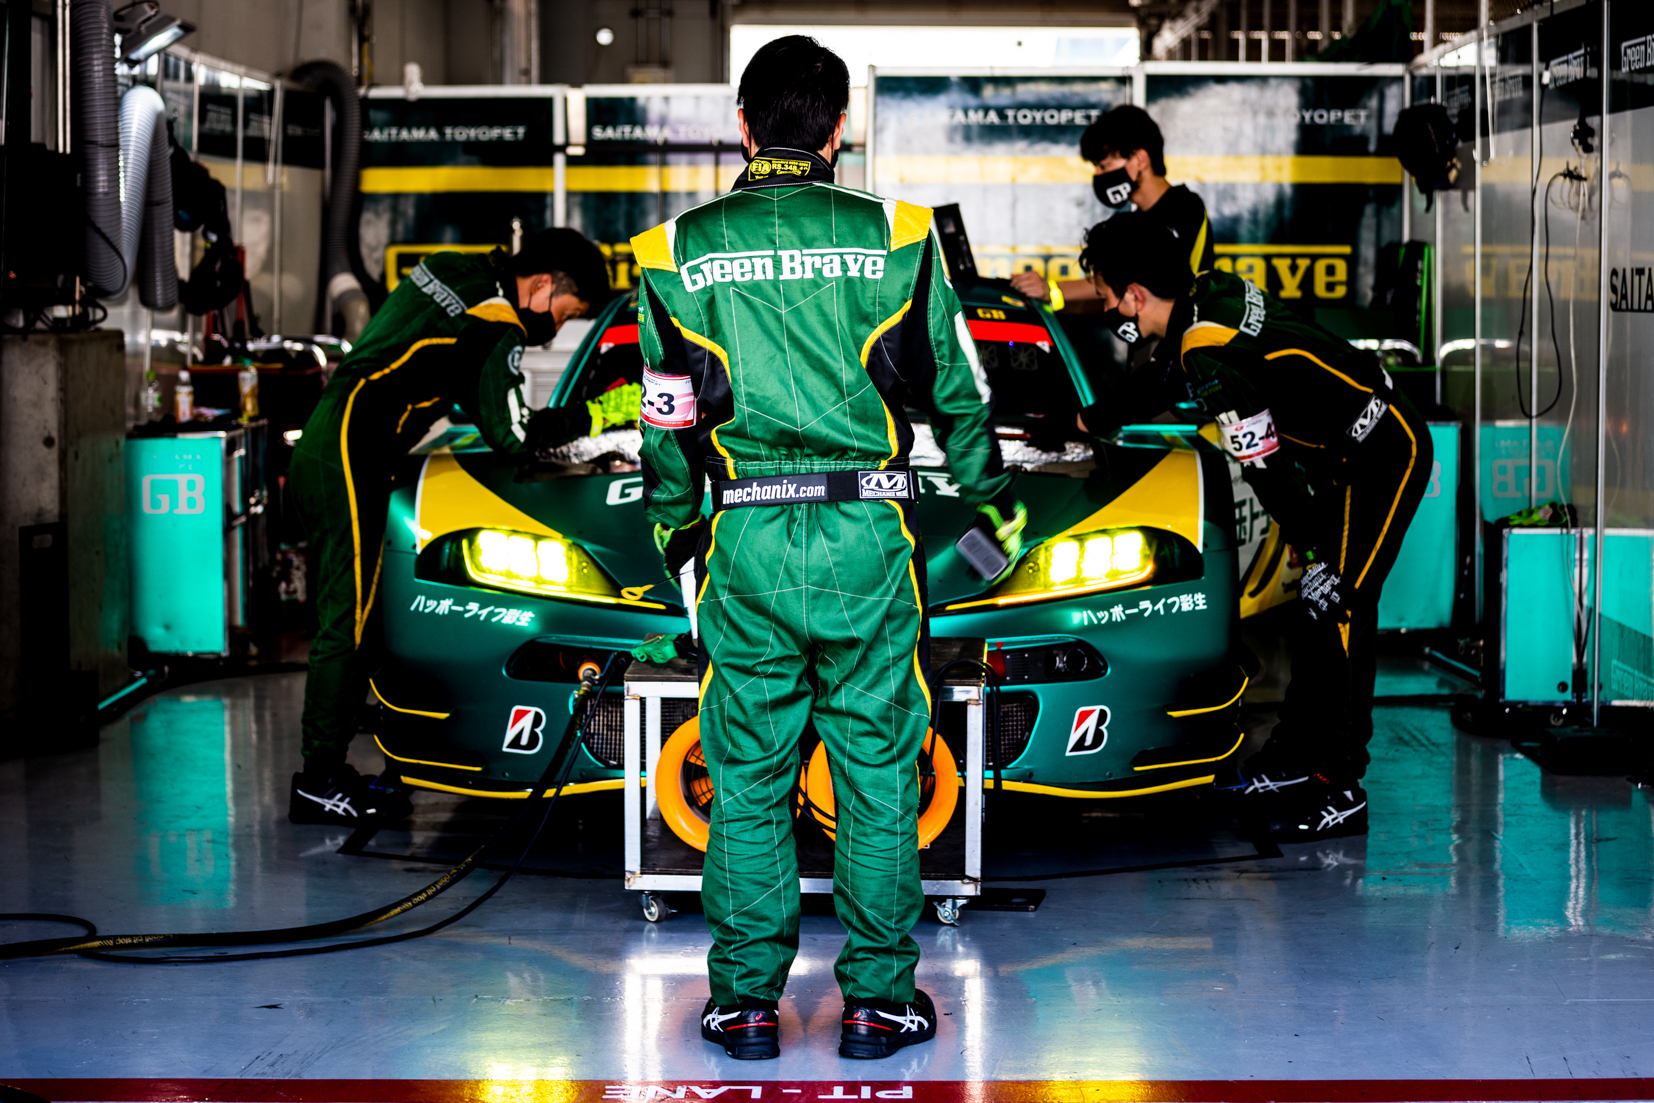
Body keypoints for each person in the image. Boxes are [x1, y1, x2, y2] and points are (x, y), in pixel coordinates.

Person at [632, 36, 1025, 1061]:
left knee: (749, 775)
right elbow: (962, 395)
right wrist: (994, 515)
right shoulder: (901, 237)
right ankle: (879, 1002)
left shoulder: (671, 253)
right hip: (867, 540)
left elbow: (666, 421)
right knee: (880, 774)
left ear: (745, 126)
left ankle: (746, 1006)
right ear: (842, 128)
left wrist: (679, 533)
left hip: (745, 542)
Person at [1075, 212, 1431, 841]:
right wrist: (1090, 420)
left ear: (1134, 294)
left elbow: (1263, 464)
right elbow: (1163, 377)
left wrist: (1318, 547)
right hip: (1347, 454)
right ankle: (1297, 759)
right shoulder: (1211, 293)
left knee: (1338, 603)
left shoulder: (1206, 352)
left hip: (1383, 452)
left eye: (1105, 296)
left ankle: (1342, 784)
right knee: (1316, 608)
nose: (1107, 308)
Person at [287, 229, 614, 825]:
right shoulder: (496, 321)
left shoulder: (454, 265)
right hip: (348, 454)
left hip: (331, 439)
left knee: (361, 616)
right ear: (541, 285)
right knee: (348, 622)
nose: (560, 328)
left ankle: (349, 753)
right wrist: (598, 416)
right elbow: (511, 435)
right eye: (568, 314)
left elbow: (435, 363)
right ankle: (318, 779)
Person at [1009, 104, 1214, 313]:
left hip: (1185, 339)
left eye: (1104, 166)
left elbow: (1131, 277)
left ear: (1140, 159)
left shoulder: (1184, 207)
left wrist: (1051, 290)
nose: (1098, 175)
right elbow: (1110, 293)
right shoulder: (1135, 222)